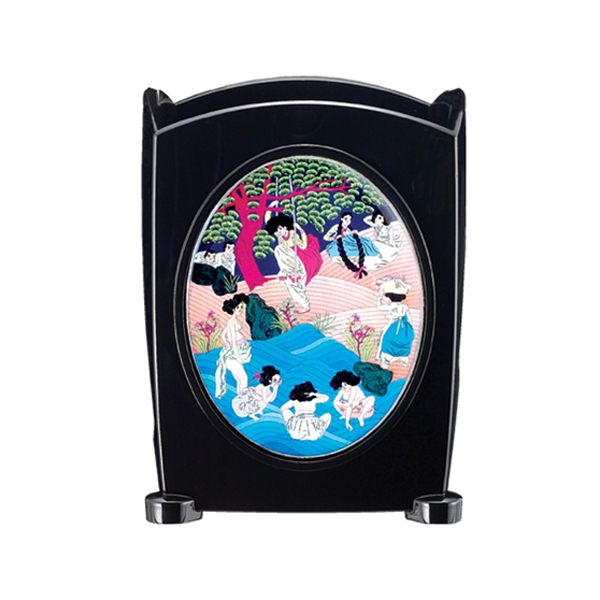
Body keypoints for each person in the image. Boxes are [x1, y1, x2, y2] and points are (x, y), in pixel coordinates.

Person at [265, 214, 312, 313]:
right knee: (289, 284)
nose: (279, 231)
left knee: (279, 249)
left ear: (285, 227)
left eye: (280, 229)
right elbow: (268, 222)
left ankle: (289, 274)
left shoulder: (293, 235)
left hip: (295, 262)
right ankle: (305, 304)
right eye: (277, 230)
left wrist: (300, 230)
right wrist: (269, 209)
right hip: (286, 264)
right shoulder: (280, 236)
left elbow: (303, 246)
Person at [323, 212, 381, 278]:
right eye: (346, 219)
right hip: (339, 243)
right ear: (342, 219)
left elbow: (351, 238)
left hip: (348, 243)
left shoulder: (349, 229)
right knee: (335, 253)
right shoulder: (336, 227)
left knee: (364, 244)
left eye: (349, 219)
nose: (348, 221)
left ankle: (355, 259)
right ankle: (343, 261)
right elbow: (325, 237)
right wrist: (335, 238)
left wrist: (353, 233)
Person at [215, 294, 251, 398]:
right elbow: (234, 342)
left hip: (233, 353)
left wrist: (228, 344)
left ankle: (240, 400)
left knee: (240, 379)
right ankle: (242, 400)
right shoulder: (232, 322)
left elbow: (223, 335)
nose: (240, 310)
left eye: (241, 307)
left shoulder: (231, 321)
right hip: (233, 356)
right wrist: (237, 356)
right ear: (233, 308)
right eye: (238, 307)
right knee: (243, 378)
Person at [376, 289, 415, 368]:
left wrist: (379, 298)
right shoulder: (404, 307)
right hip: (405, 326)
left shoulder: (392, 305)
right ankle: (403, 358)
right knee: (405, 341)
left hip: (392, 324)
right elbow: (409, 318)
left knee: (383, 336)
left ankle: (382, 357)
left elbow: (380, 306)